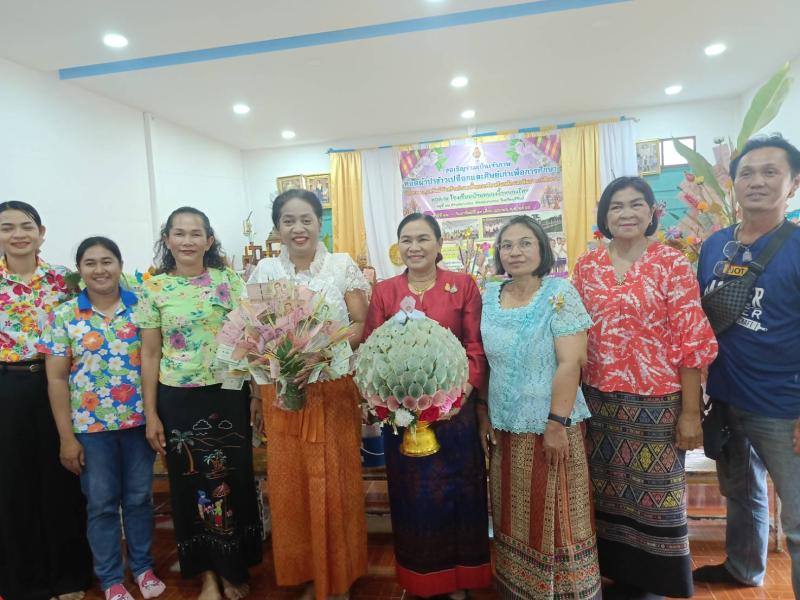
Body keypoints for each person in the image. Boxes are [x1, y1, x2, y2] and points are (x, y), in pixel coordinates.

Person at [573, 177, 718, 600]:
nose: (627, 213)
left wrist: (690, 413)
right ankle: (619, 575)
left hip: (657, 403)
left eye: (637, 204)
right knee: (608, 491)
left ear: (652, 212)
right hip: (599, 401)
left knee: (658, 496)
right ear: (604, 217)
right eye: (616, 206)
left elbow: (690, 341)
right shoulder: (587, 266)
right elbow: (573, 331)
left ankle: (656, 582)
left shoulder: (671, 263)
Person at [693, 134, 800, 596]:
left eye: (770, 172)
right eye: (747, 173)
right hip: (726, 397)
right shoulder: (715, 245)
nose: (757, 181)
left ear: (793, 183)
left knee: (798, 521)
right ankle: (743, 567)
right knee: (741, 492)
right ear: (733, 183)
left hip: (785, 408)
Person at [249, 189, 369, 600]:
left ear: (320, 224)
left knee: (335, 480)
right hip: (284, 393)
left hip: (332, 390)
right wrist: (272, 375)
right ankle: (307, 572)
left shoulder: (341, 265)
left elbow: (359, 326)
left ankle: (338, 577)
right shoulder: (265, 271)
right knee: (292, 484)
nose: (298, 228)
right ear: (277, 228)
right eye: (288, 221)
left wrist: (321, 353)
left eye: (306, 220)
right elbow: (254, 332)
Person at [137, 207, 262, 600]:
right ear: (167, 240)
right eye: (179, 233)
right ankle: (208, 573)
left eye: (196, 234)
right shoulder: (153, 289)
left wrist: (257, 394)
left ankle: (233, 567)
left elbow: (251, 341)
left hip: (229, 393)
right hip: (179, 399)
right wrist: (151, 413)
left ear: (209, 241)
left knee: (233, 480)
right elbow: (150, 354)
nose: (187, 241)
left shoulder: (231, 281)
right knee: (191, 483)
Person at [363, 213, 491, 599]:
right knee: (413, 497)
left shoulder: (462, 286)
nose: (414, 247)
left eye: (423, 239)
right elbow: (372, 349)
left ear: (439, 244)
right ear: (398, 246)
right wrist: (387, 402)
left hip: (455, 414)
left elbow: (475, 345)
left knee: (459, 493)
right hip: (403, 417)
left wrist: (459, 396)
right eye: (406, 239)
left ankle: (459, 580)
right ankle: (422, 579)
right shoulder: (385, 291)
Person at [481, 215, 601, 600]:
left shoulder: (559, 294)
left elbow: (571, 362)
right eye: (507, 245)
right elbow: (483, 362)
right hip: (505, 427)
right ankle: (519, 589)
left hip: (551, 425)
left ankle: (566, 593)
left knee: (559, 514)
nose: (515, 252)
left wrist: (556, 424)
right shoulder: (488, 296)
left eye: (525, 243)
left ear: (542, 249)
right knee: (513, 514)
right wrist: (483, 413)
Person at [42, 237, 166, 600]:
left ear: (120, 265)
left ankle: (143, 568)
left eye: (107, 261)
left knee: (140, 499)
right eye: (91, 263)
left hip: (138, 424)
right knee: (101, 504)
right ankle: (111, 578)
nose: (100, 269)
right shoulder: (64, 315)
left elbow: (153, 359)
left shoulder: (142, 307)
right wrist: (66, 437)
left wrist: (153, 415)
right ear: (80, 270)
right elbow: (56, 379)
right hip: (90, 429)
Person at [0, 200, 93, 600]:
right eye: (7, 227)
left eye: (26, 226)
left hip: (58, 385)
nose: (18, 234)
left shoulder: (64, 282)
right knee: (13, 484)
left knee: (63, 479)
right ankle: (24, 582)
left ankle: (69, 577)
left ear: (41, 233)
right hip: (7, 388)